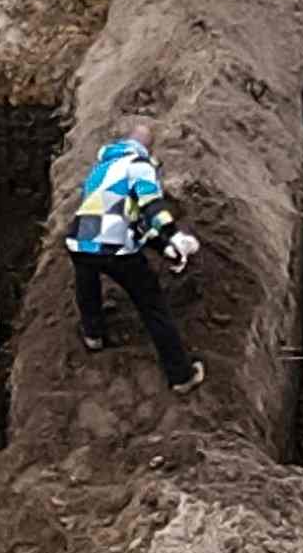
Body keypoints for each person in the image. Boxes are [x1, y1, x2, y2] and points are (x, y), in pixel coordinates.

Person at [63, 129, 201, 388]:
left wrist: (163, 248)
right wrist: (173, 236)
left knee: (87, 284)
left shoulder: (100, 170)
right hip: (116, 250)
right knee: (153, 306)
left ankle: (94, 335)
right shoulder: (140, 166)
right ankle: (181, 375)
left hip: (79, 241)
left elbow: (126, 218)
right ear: (148, 149)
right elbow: (151, 206)